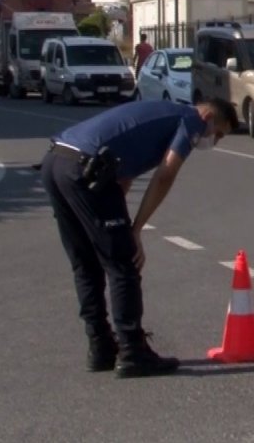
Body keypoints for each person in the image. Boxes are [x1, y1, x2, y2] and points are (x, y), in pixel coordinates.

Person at [41, 98, 238, 378]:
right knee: (124, 265)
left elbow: (124, 175)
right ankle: (133, 351)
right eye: (218, 133)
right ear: (208, 116)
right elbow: (165, 175)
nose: (213, 141)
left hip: (57, 163)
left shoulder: (161, 113)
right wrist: (134, 231)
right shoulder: (191, 119)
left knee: (86, 263)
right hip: (86, 170)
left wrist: (118, 229)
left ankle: (100, 347)